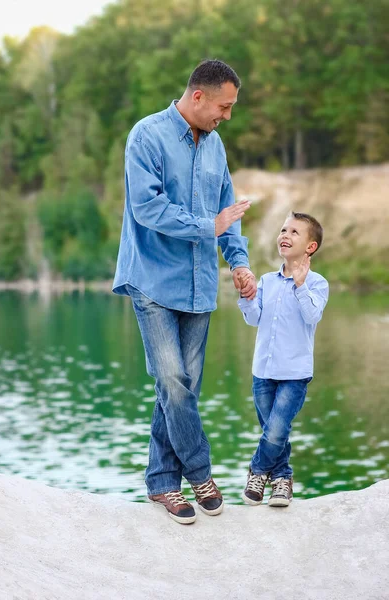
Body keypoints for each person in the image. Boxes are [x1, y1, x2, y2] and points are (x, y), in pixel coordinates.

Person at [112, 59, 257, 524]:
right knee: (173, 380)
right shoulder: (146, 136)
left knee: (180, 389)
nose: (227, 116)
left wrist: (239, 262)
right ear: (198, 96)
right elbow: (146, 206)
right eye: (224, 106)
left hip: (199, 284)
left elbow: (227, 213)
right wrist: (206, 227)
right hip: (152, 279)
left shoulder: (216, 147)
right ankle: (200, 473)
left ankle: (161, 484)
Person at [237, 212, 329, 507]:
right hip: (262, 372)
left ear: (310, 247)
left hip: (294, 374)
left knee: (276, 430)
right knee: (274, 432)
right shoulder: (266, 281)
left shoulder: (317, 283)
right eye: (283, 230)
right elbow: (254, 319)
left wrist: (300, 285)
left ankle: (257, 470)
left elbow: (312, 315)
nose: (285, 235)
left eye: (294, 232)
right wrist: (247, 296)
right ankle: (282, 479)